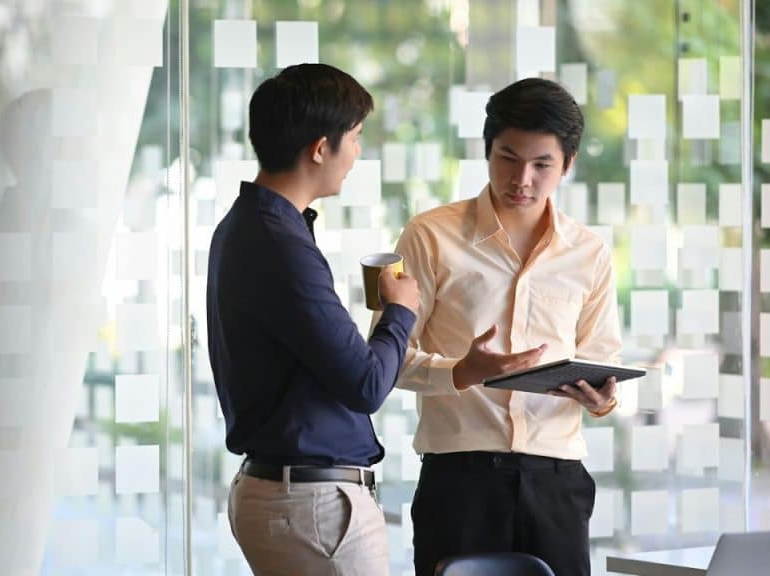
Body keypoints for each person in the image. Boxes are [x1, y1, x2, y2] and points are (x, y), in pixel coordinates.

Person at [394, 78, 622, 576]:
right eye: (507, 158)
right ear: (487, 151)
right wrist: (462, 371)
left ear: (569, 163)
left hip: (557, 481)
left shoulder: (589, 253)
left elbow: (603, 358)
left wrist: (604, 400)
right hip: (460, 480)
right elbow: (389, 359)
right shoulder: (430, 236)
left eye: (542, 165)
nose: (522, 179)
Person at [207, 63, 421, 575]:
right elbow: (366, 383)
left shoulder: (249, 226)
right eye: (356, 138)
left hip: (290, 495)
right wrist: (400, 310)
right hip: (313, 506)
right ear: (320, 148)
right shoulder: (279, 243)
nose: (358, 153)